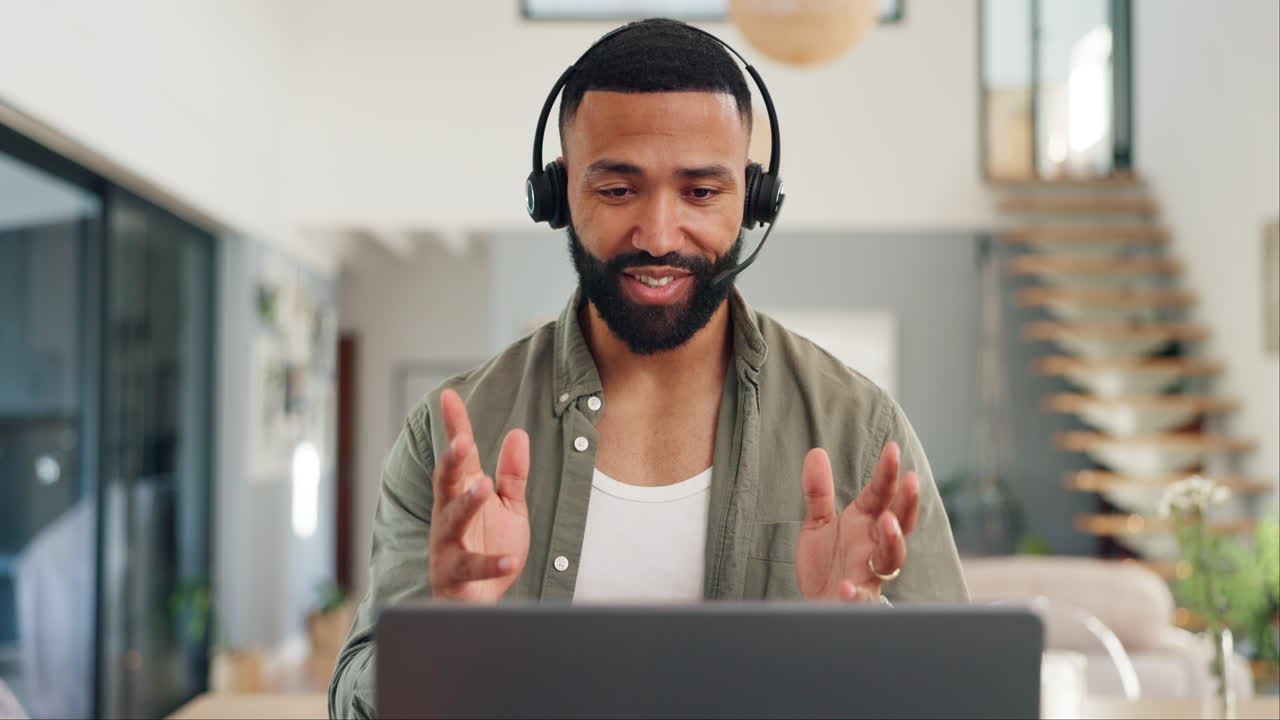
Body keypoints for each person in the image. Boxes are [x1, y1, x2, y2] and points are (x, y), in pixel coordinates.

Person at [329, 18, 967, 719]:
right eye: (617, 191)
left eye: (701, 192)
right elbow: (352, 707)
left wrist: (860, 648)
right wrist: (444, 639)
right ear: (557, 196)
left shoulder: (861, 430)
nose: (660, 236)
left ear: (754, 201)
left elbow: (969, 701)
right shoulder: (452, 437)